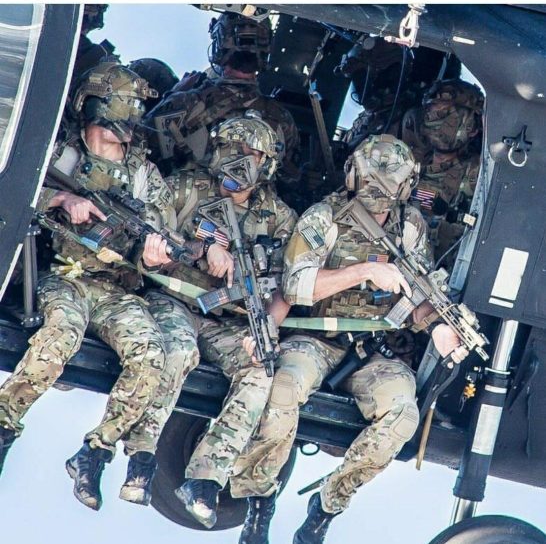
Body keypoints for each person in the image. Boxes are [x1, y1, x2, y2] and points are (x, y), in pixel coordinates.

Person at [230, 135, 469, 544]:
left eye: (388, 186)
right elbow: (296, 285)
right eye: (374, 182)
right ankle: (259, 498)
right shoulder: (325, 217)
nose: (379, 195)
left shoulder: (408, 227)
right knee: (282, 389)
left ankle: (326, 505)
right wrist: (361, 272)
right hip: (316, 339)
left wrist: (440, 327)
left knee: (402, 417)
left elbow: (419, 296)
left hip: (376, 350)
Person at [0, 62, 178, 513]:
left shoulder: (143, 177)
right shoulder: (59, 156)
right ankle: (4, 424)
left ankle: (95, 451)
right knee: (58, 339)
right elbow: (15, 188)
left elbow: (158, 236)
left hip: (116, 291)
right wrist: (62, 199)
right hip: (66, 276)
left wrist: (152, 254)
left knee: (152, 358)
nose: (128, 129)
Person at [122, 112, 297, 522]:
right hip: (176, 302)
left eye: (251, 154)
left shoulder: (279, 217)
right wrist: (199, 249)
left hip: (231, 322)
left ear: (267, 163)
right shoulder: (186, 189)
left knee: (259, 374)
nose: (240, 161)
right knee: (177, 352)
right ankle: (142, 458)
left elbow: (287, 286)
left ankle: (205, 478)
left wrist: (266, 327)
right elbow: (147, 235)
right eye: (232, 151)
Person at [145, 11, 300, 200]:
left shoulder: (185, 103)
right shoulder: (283, 120)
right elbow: (289, 180)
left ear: (219, 47)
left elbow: (142, 146)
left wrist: (173, 94)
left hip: (182, 207)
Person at [407, 79, 484, 267]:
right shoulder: (406, 162)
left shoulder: (479, 176)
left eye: (448, 115)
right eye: (432, 112)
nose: (436, 121)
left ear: (473, 129)